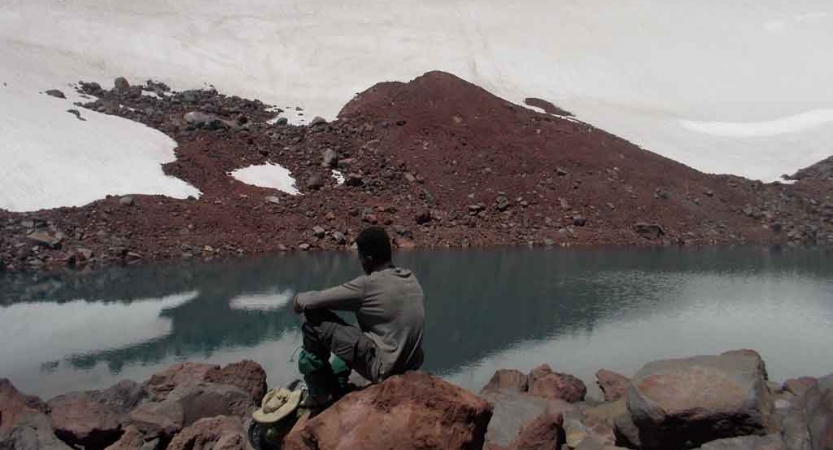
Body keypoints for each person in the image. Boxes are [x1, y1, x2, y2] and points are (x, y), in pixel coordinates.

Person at [293, 227, 425, 405]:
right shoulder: (410, 277)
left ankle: (322, 393)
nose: (361, 263)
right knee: (355, 328)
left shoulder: (368, 285)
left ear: (368, 259)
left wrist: (297, 300)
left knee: (313, 316)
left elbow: (312, 301)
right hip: (412, 364)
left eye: (361, 258)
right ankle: (339, 378)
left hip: (383, 368)